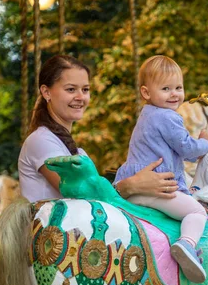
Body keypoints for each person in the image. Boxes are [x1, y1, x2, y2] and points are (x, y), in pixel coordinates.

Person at [18, 54, 179, 204]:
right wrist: (132, 185)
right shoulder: (41, 141)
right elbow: (86, 196)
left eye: (85, 89)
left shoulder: (75, 151)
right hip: (53, 232)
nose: (80, 97)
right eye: (71, 89)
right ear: (47, 92)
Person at [114, 55, 208, 283]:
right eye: (166, 88)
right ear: (146, 93)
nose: (175, 94)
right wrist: (205, 142)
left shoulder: (147, 115)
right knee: (197, 212)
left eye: (178, 87)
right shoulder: (168, 117)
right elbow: (187, 149)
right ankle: (186, 245)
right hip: (157, 186)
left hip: (136, 186)